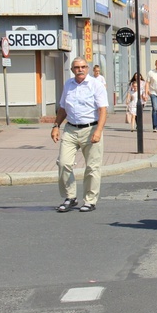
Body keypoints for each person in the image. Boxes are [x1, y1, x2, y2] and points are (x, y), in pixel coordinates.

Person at [51, 57, 109, 213]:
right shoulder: (68, 84)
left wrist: (98, 131)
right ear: (72, 70)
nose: (80, 70)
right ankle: (70, 197)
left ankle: (90, 200)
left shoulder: (96, 85)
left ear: (88, 68)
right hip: (70, 129)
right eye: (77, 67)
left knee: (92, 167)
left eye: (83, 67)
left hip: (91, 129)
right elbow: (63, 107)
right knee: (63, 163)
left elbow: (103, 110)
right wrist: (56, 126)